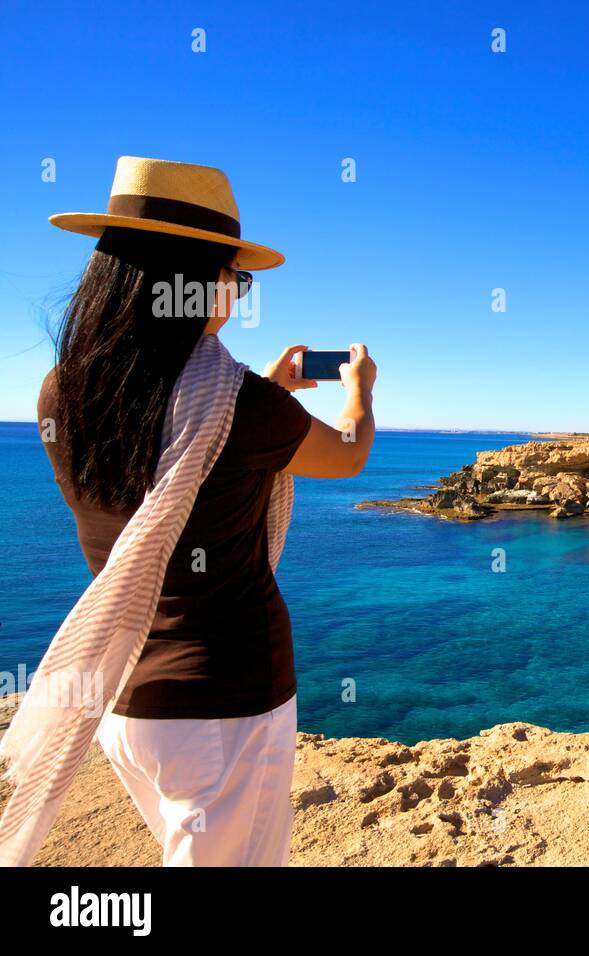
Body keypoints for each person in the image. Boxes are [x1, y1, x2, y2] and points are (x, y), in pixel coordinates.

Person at [5, 156, 376, 866]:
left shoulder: (61, 390)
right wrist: (360, 387)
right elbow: (350, 452)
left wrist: (271, 387)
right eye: (235, 278)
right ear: (192, 281)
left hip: (122, 699)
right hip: (227, 704)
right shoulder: (242, 406)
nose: (237, 294)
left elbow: (178, 444)